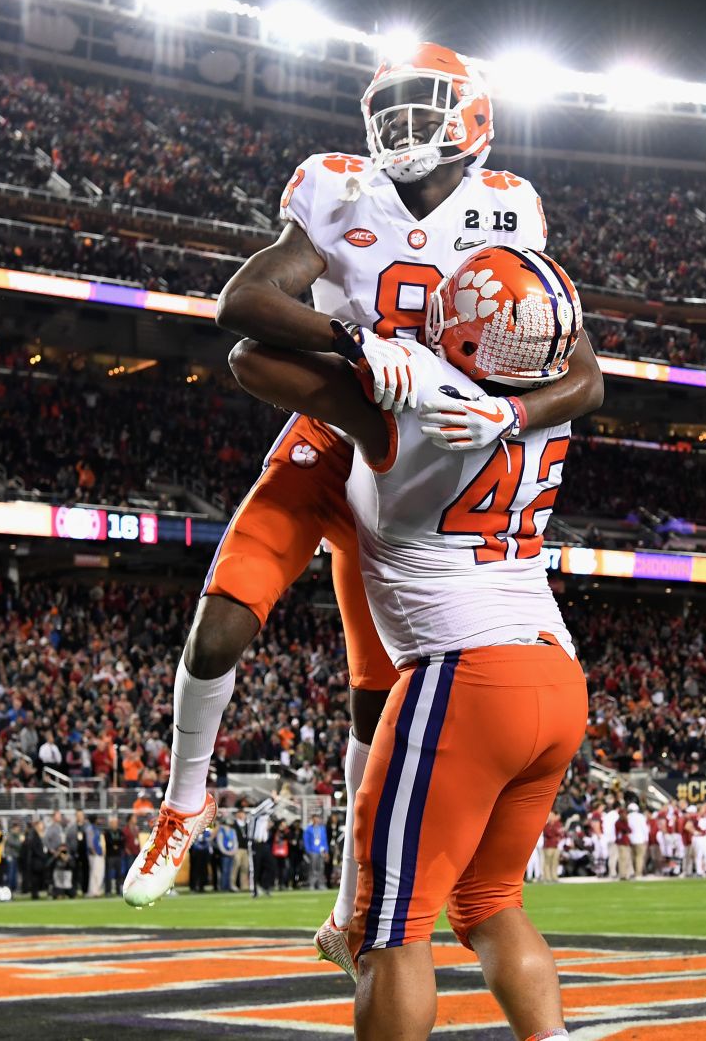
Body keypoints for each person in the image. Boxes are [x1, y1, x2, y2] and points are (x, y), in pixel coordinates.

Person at [122, 41, 604, 968]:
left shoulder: (509, 207)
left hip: (430, 460)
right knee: (219, 627)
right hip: (339, 427)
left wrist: (506, 412)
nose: (402, 126)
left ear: (471, 118)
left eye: (426, 107)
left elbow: (567, 353)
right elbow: (245, 304)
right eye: (393, 106)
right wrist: (352, 343)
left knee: (374, 702)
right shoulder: (340, 191)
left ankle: (350, 908)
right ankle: (184, 801)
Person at [228, 240, 587, 1041]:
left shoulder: (414, 392)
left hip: (465, 675)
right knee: (492, 900)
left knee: (390, 926)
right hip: (555, 671)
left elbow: (249, 353)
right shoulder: (550, 396)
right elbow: (579, 368)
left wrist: (356, 347)